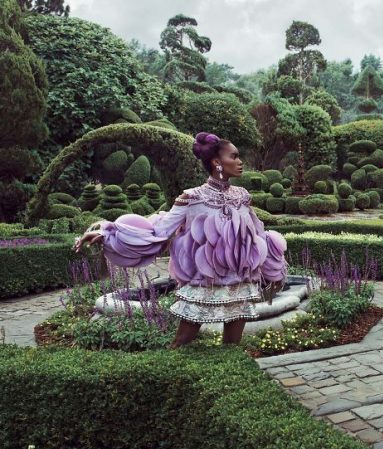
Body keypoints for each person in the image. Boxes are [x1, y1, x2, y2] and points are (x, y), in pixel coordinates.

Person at [74, 132, 288, 347]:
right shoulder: (192, 196)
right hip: (204, 280)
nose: (240, 162)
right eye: (234, 156)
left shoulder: (242, 195)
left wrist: (273, 266)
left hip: (242, 280)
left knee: (232, 344)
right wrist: (107, 233)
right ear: (216, 162)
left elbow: (255, 234)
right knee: (182, 340)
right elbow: (160, 230)